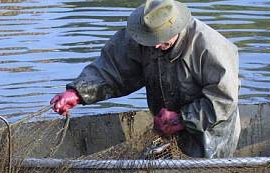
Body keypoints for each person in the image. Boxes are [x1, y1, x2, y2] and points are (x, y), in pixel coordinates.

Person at [50, 0, 240, 158]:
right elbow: (112, 69)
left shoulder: (210, 47)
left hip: (209, 134)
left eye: (161, 39)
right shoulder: (141, 35)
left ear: (177, 27)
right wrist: (76, 93)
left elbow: (223, 100)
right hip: (165, 126)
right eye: (150, 39)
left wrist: (182, 119)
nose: (155, 44)